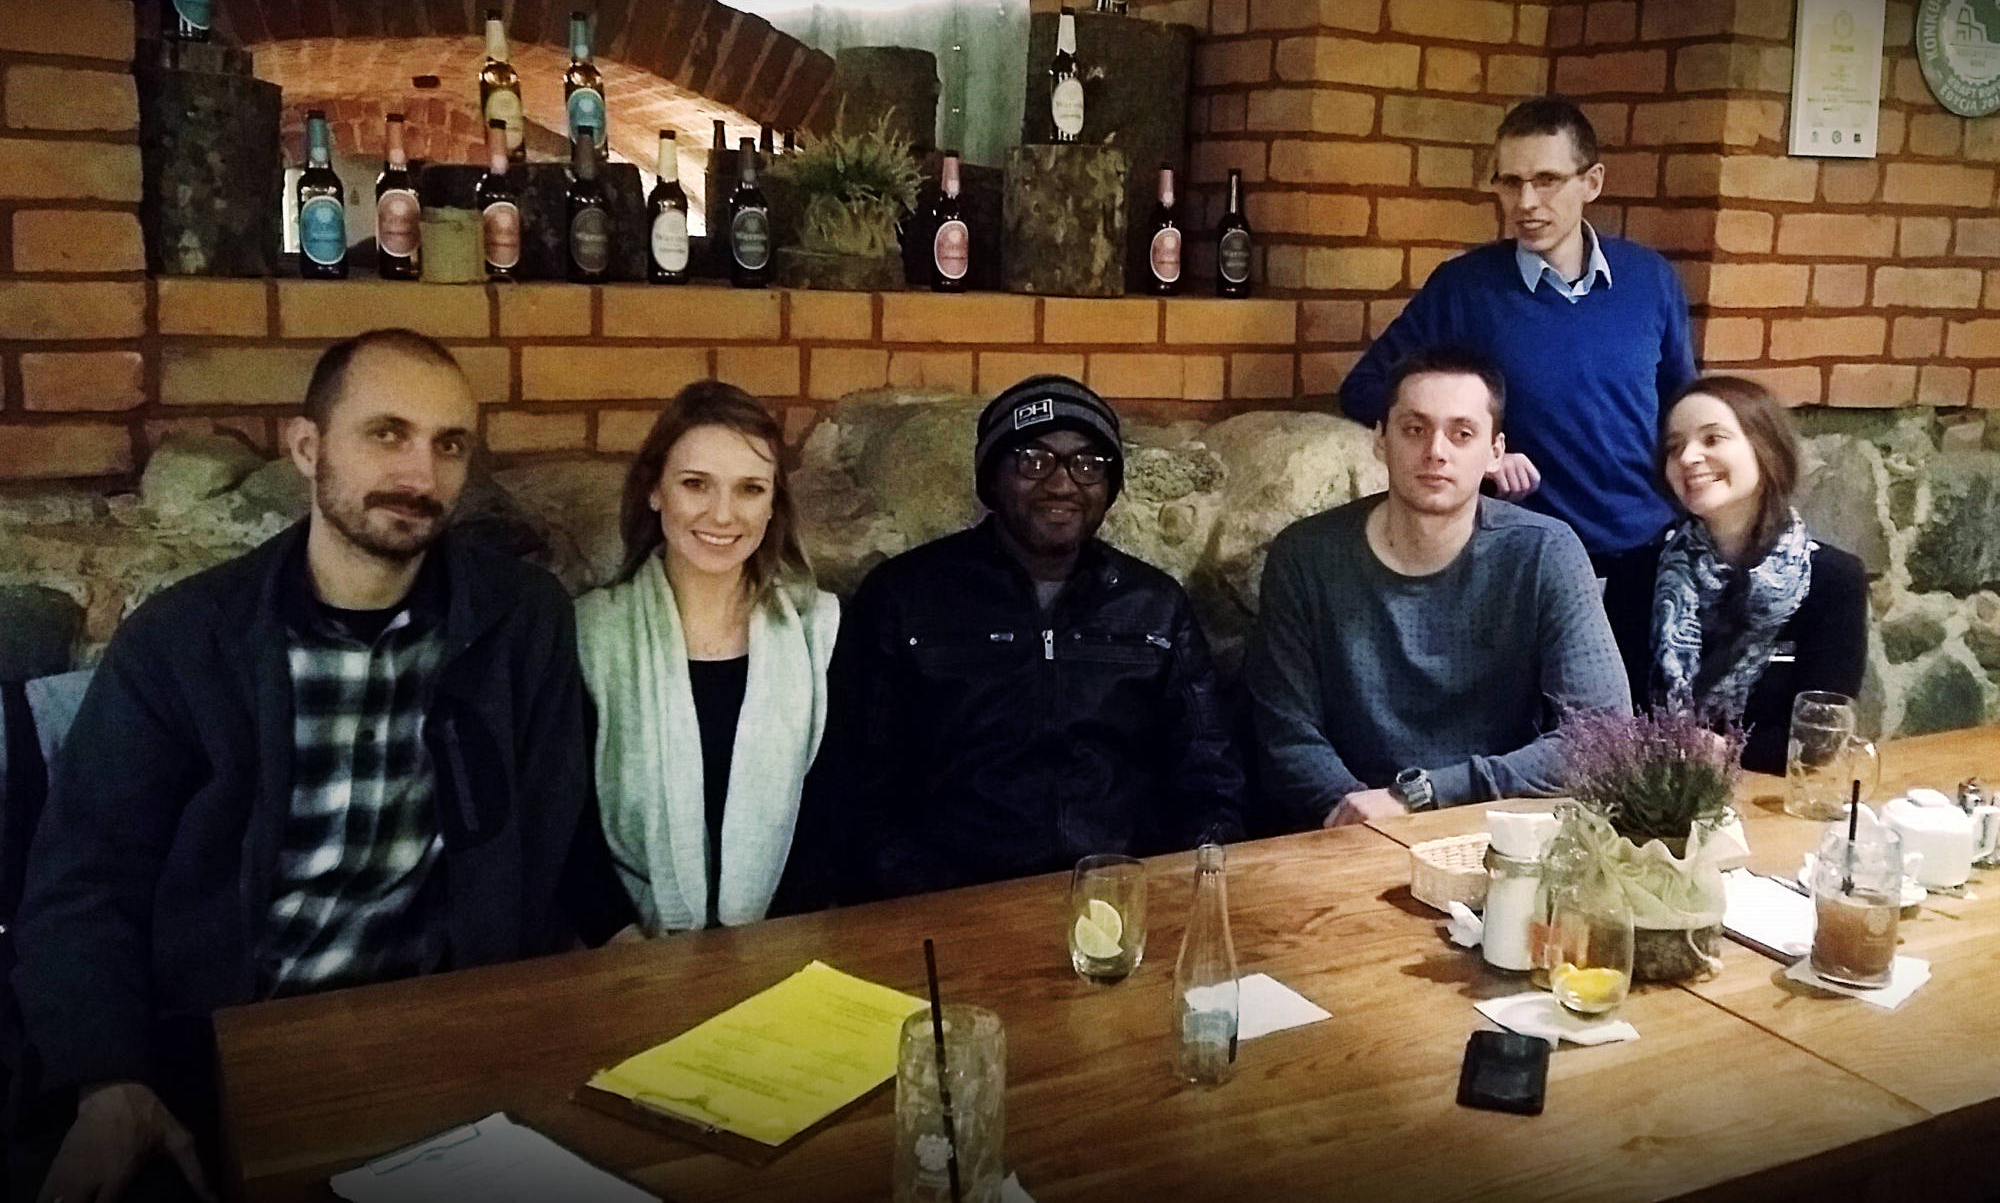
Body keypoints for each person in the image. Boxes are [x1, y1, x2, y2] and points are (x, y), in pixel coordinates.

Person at [8, 330, 626, 1203]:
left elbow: (560, 826)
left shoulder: (519, 621)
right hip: (230, 1054)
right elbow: (83, 882)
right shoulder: (186, 643)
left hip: (450, 1041)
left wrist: (630, 959)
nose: (420, 473)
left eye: (450, 444)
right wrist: (109, 1078)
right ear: (307, 447)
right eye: (387, 433)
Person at [830, 375, 1245, 900]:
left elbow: (1209, 772)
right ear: (991, 478)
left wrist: (1192, 881)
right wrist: (920, 895)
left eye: (1088, 464)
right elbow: (857, 783)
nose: (1063, 484)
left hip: (1119, 895)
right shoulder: (905, 596)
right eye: (1033, 460)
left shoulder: (1154, 604)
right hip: (950, 901)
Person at [1249, 346, 1631, 830]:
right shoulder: (1306, 556)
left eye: (1462, 433)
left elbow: (1601, 733)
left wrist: (1422, 796)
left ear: (1495, 452)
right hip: (1345, 826)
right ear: (1380, 440)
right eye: (1415, 429)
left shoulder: (1544, 552)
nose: (1436, 451)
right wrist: (1360, 815)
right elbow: (1285, 735)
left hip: (1496, 826)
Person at [1339, 95, 1697, 572]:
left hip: (1651, 549)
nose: (1526, 203)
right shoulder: (1465, 287)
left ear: (1592, 182)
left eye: (1546, 180)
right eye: (1510, 182)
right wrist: (1480, 450)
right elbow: (1365, 388)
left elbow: (1683, 406)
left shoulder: (1650, 278)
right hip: (1525, 553)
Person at [576, 381, 839, 934]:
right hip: (629, 952)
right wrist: (620, 939)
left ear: (773, 504)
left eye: (750, 489)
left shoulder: (822, 630)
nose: (723, 515)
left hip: (784, 945)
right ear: (655, 490)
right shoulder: (590, 633)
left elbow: (833, 814)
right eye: (695, 484)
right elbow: (566, 819)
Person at [1601, 376, 1867, 774]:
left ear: (1766, 449)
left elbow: (1820, 738)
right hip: (1652, 793)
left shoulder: (1833, 581)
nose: (1688, 457)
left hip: (1771, 798)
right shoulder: (1635, 575)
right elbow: (1614, 715)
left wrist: (1722, 752)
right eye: (1674, 447)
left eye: (1712, 439)